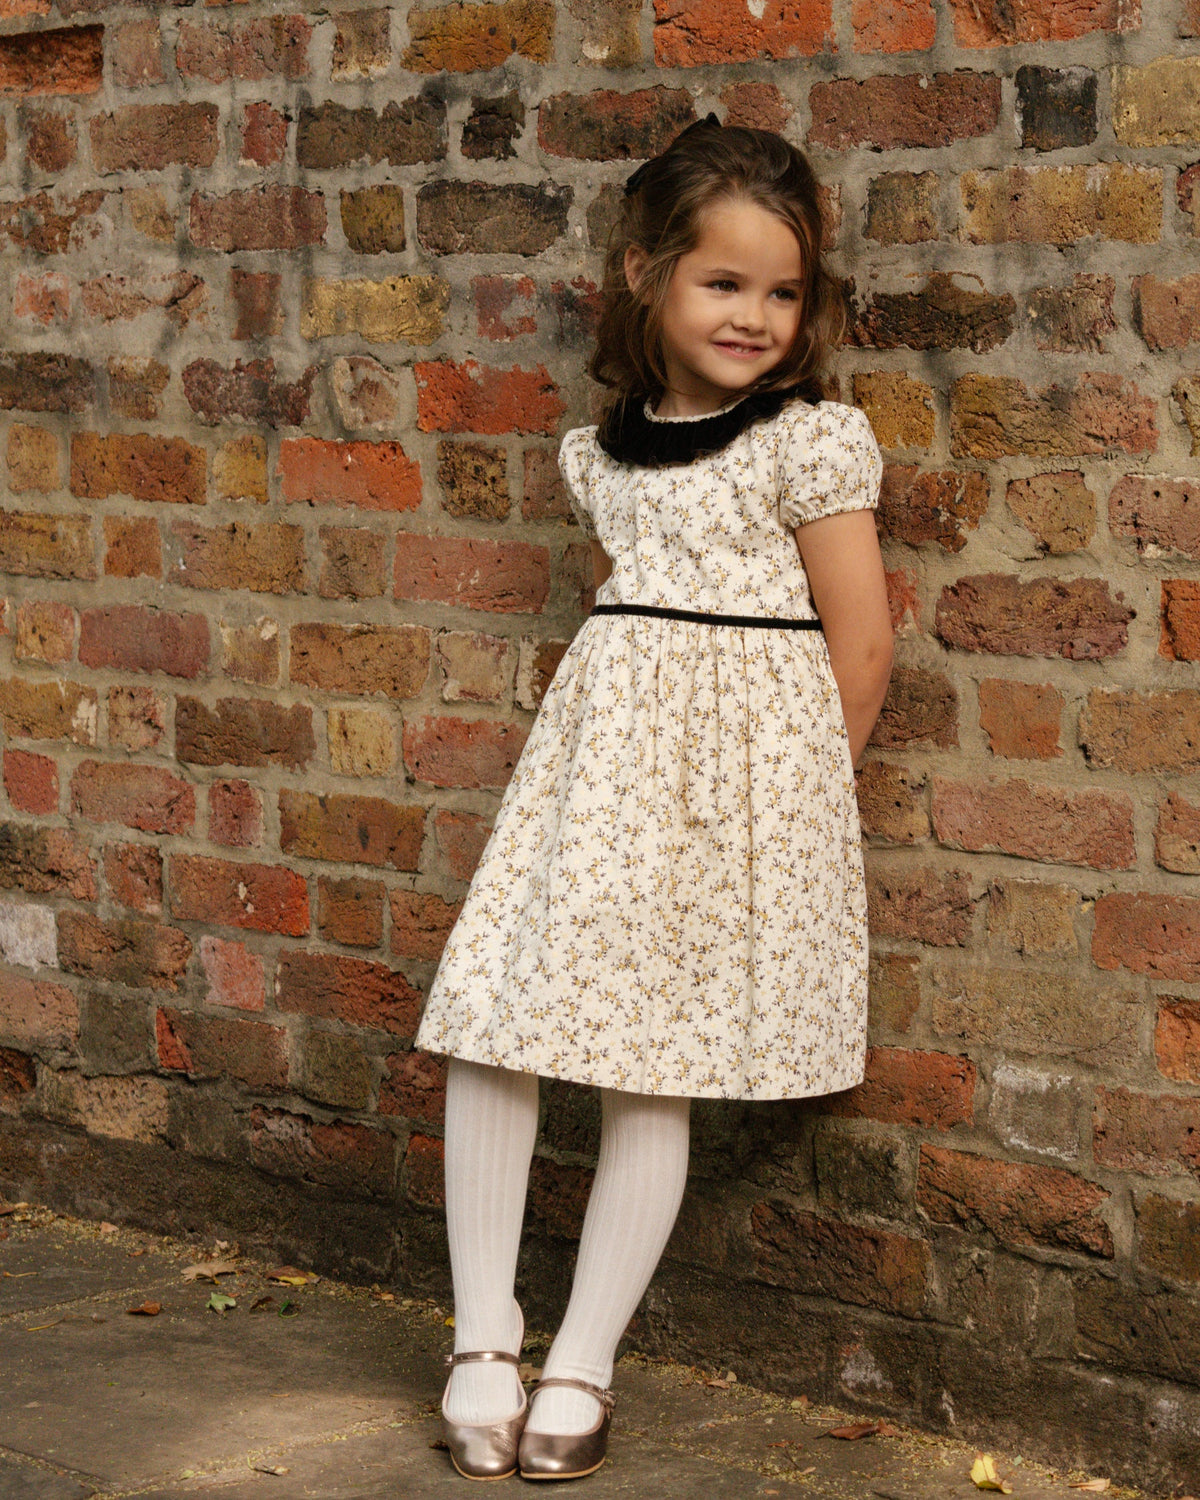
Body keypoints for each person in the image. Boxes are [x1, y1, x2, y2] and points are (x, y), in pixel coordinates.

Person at [413, 115, 895, 1483]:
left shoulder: (808, 442)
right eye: (724, 282)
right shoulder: (605, 453)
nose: (755, 314)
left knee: (651, 1062)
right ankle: (483, 1335)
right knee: (497, 1018)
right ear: (646, 275)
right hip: (601, 772)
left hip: (743, 792)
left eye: (783, 290)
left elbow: (860, 642)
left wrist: (792, 814)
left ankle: (583, 1360)